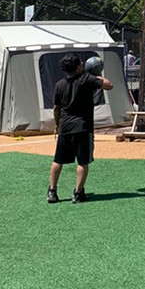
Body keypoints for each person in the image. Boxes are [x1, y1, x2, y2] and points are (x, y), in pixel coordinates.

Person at [48, 52, 113, 204]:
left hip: (65, 126)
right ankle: (78, 193)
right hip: (83, 127)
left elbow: (56, 108)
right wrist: (97, 74)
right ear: (77, 67)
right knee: (83, 161)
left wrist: (57, 124)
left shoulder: (59, 84)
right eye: (80, 63)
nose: (83, 64)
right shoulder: (87, 79)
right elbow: (109, 85)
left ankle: (52, 191)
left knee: (58, 160)